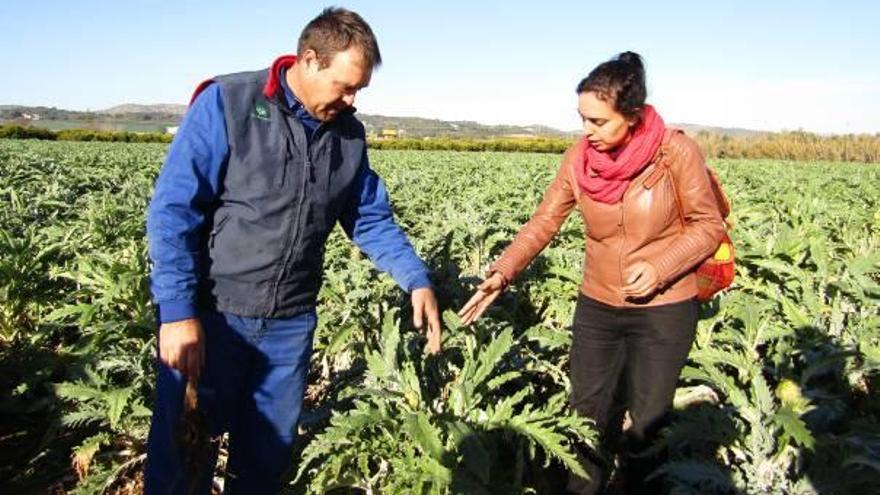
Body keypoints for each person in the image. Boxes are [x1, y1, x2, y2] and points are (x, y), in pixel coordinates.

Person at [144, 8, 442, 494]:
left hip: (289, 325)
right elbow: (175, 210)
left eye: (360, 90)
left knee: (265, 464)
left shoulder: (348, 136)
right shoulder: (228, 102)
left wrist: (415, 277)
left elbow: (367, 215)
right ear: (309, 60)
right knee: (184, 456)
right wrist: (177, 311)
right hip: (215, 317)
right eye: (345, 86)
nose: (352, 100)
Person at [458, 51, 725, 494]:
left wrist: (660, 267)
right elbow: (545, 221)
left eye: (598, 122)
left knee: (648, 423)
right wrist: (503, 271)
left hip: (664, 311)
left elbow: (709, 225)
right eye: (582, 119)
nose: (587, 132)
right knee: (586, 420)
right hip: (598, 307)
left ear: (633, 115)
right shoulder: (579, 160)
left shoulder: (675, 152)